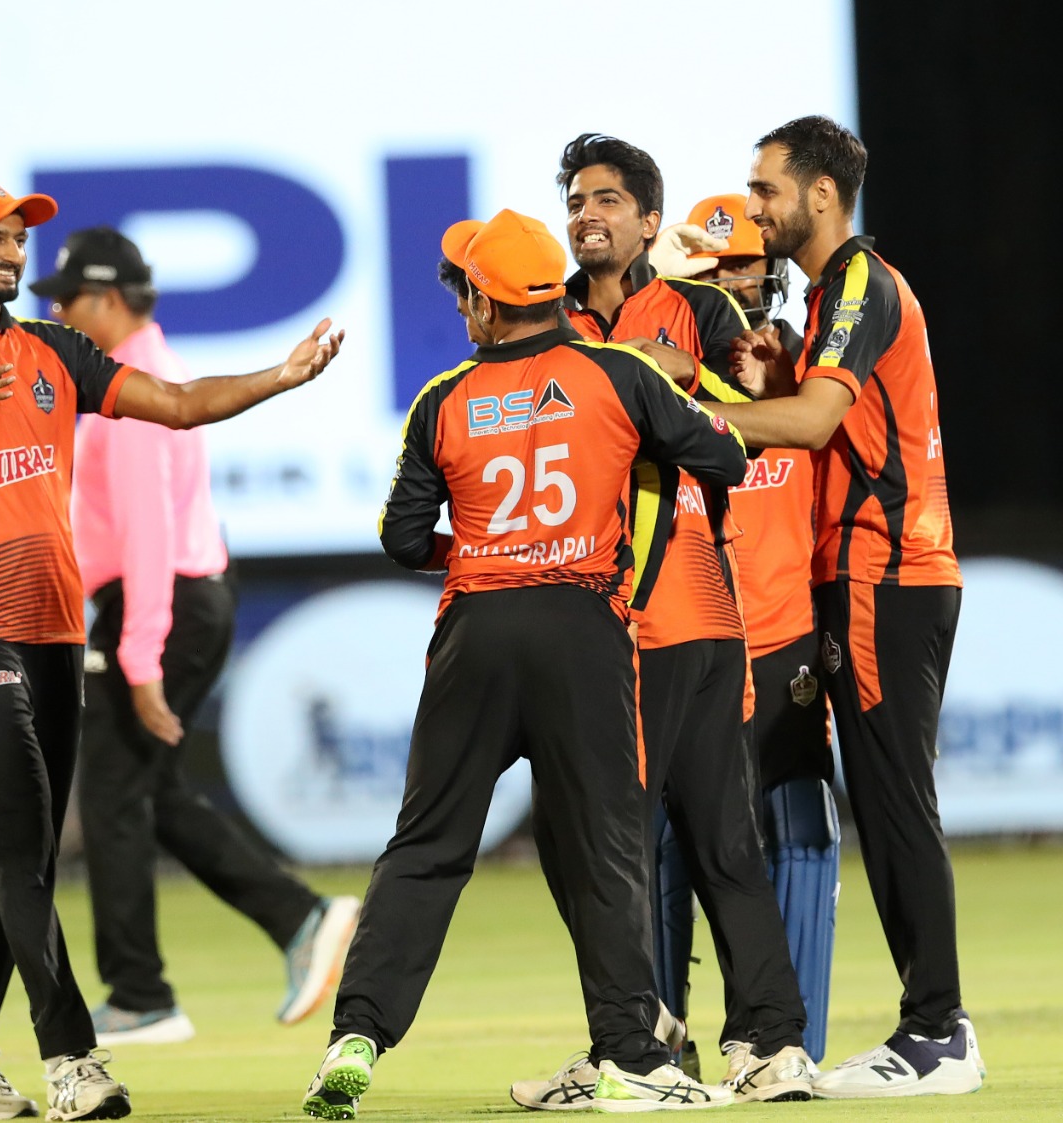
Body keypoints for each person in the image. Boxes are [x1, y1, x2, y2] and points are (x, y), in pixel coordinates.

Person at [0, 175, 343, 1122]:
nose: (9, 251)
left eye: (16, 236)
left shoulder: (55, 349)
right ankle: (73, 1057)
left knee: (26, 844)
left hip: (55, 623)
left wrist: (278, 378)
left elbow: (176, 402)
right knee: (28, 827)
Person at [300, 209, 746, 1118]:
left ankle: (356, 1035)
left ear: (486, 304)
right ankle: (633, 1056)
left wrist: (489, 551)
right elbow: (726, 456)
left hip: (476, 630)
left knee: (426, 847)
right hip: (581, 629)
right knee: (607, 847)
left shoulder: (443, 398)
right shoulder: (618, 371)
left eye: (464, 290)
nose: (460, 306)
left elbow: (401, 539)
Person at [674, 116, 981, 1098]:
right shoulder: (838, 291)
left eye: (764, 188)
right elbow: (825, 412)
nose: (753, 205)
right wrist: (776, 378)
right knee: (886, 799)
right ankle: (931, 1025)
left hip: (882, 570)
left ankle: (936, 1029)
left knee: (893, 801)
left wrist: (694, 413)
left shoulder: (857, 279)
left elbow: (812, 422)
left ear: (818, 195)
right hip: (885, 570)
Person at [513, 137, 813, 1107]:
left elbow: (753, 418)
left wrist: (682, 374)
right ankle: (661, 1039)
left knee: (701, 838)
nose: (585, 211)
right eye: (574, 198)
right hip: (590, 617)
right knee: (609, 845)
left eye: (607, 197)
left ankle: (739, 1045)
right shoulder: (541, 317)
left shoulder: (698, 306)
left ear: (649, 221)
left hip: (684, 605)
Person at [28, 227, 358, 1045]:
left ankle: (142, 994)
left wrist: (138, 657)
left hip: (160, 601)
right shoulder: (143, 371)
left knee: (110, 790)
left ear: (106, 300)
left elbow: (145, 534)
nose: (59, 314)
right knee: (150, 790)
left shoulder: (135, 387)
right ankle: (299, 918)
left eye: (67, 299)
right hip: (185, 595)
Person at [666, 194, 839, 1077]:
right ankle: (660, 1042)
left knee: (800, 832)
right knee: (675, 842)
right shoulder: (660, 376)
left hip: (787, 637)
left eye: (748, 267)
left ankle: (783, 1044)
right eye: (718, 270)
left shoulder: (807, 364)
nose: (738, 283)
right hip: (694, 640)